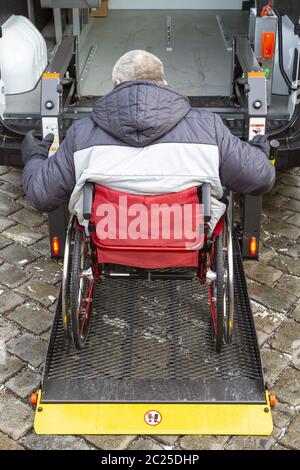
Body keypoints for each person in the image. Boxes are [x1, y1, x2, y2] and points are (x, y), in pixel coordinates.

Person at [22, 50, 275, 230]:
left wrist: (34, 156)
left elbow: (41, 195)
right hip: (185, 238)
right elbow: (260, 178)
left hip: (110, 236)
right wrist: (259, 150)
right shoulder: (208, 127)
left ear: (117, 84)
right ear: (163, 83)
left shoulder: (81, 134)